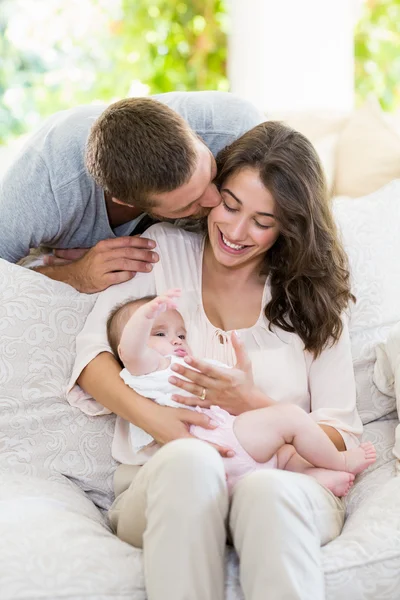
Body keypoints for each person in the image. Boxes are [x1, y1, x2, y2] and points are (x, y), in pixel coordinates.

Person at [68, 120, 364, 600]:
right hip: (164, 483)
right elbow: (91, 359)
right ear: (214, 192)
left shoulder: (313, 297)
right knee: (190, 462)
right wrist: (166, 425)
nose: (235, 230)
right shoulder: (162, 250)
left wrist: (251, 401)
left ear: (289, 226)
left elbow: (338, 430)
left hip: (283, 482)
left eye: (263, 222)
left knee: (266, 493)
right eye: (229, 204)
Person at [105, 289, 375, 499]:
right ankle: (340, 460)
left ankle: (313, 477)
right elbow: (131, 348)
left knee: (287, 455)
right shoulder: (148, 370)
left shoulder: (194, 365)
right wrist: (146, 315)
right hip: (215, 447)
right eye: (160, 333)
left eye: (182, 334)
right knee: (290, 418)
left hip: (234, 453)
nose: (176, 340)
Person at [0, 91, 263, 293]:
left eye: (211, 171)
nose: (215, 198)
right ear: (126, 202)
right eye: (189, 205)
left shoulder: (237, 129)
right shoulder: (45, 185)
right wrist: (75, 275)